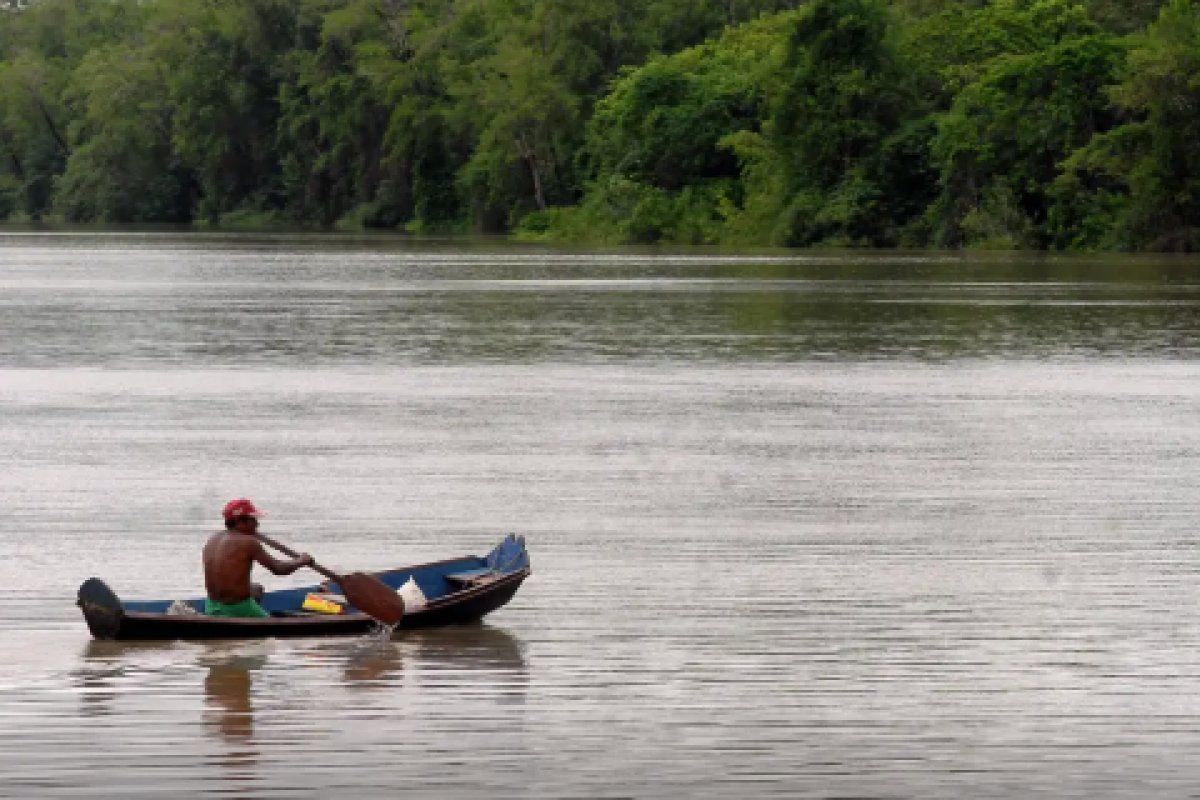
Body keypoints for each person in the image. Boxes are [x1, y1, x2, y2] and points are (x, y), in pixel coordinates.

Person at [202, 498, 313, 618]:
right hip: (237, 608)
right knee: (272, 621)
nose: (257, 524)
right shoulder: (248, 542)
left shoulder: (213, 539)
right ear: (241, 521)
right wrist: (301, 561)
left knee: (256, 589)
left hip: (212, 605)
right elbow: (279, 569)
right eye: (253, 520)